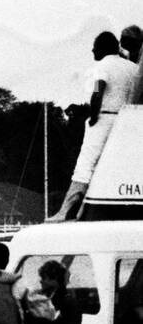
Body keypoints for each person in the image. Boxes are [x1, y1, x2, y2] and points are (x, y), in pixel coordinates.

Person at [49, 31, 137, 222]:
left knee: (85, 164)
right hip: (127, 122)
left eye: (95, 46)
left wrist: (93, 116)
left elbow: (98, 90)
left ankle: (66, 211)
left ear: (103, 47)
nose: (92, 50)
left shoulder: (102, 66)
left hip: (104, 118)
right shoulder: (132, 68)